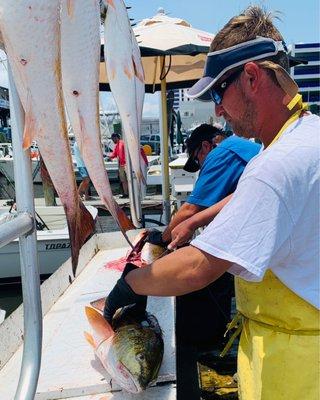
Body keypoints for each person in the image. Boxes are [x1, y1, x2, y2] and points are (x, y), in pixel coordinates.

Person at [103, 6, 319, 399]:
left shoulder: (275, 165)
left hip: (297, 368)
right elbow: (275, 197)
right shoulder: (308, 138)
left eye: (220, 91)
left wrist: (131, 286)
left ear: (252, 76)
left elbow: (200, 268)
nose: (218, 109)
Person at [108, 133, 129, 198]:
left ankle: (127, 193)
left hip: (125, 164)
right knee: (124, 180)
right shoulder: (117, 145)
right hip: (121, 165)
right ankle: (126, 193)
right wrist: (108, 157)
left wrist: (109, 157)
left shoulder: (122, 143)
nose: (112, 140)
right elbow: (114, 154)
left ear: (116, 138)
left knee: (127, 180)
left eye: (113, 139)